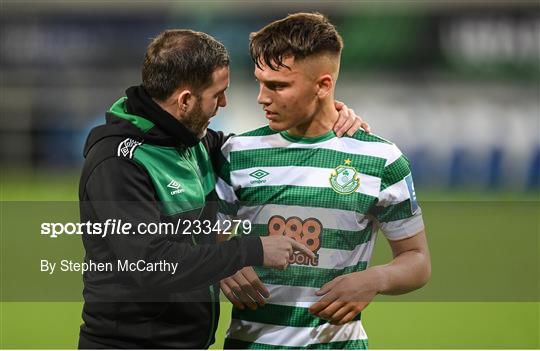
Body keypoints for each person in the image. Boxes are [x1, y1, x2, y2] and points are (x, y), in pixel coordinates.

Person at [78, 29, 365, 349]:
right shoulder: (118, 163)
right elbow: (150, 264)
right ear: (185, 100)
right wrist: (252, 250)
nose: (224, 103)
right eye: (218, 94)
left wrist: (326, 114)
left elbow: (255, 153)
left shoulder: (192, 140)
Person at [216, 13, 431, 349]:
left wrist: (375, 278)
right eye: (260, 81)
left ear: (323, 85)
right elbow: (195, 240)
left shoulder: (381, 161)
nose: (262, 97)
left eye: (278, 85)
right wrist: (222, 263)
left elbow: (417, 260)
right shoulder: (235, 154)